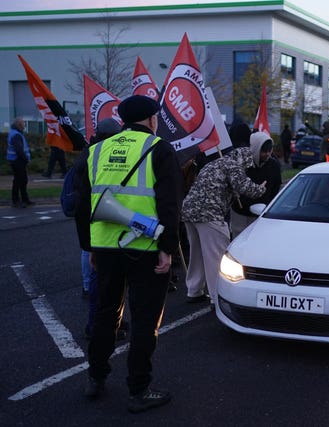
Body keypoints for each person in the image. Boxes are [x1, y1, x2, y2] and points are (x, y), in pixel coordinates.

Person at [77, 95, 182, 413]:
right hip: (146, 248)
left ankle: (95, 378)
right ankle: (139, 389)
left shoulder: (95, 151)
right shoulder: (159, 149)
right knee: (144, 319)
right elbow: (170, 204)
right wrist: (168, 250)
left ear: (122, 119)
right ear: (152, 120)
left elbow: (84, 206)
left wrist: (90, 247)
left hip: (106, 247)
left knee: (105, 314)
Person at [181, 146, 266, 306]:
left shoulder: (213, 164)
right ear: (245, 159)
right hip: (209, 214)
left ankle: (194, 290)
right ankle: (217, 296)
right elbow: (246, 188)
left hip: (189, 211)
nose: (247, 169)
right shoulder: (233, 165)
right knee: (216, 257)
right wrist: (260, 189)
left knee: (197, 254)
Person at [72, 118, 128, 340]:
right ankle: (97, 326)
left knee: (106, 283)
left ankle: (108, 322)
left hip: (97, 227)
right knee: (104, 284)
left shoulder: (89, 153)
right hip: (103, 226)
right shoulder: (98, 155)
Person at [230, 131, 282, 238]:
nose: (267, 154)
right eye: (263, 151)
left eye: (269, 151)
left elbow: (276, 187)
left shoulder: (274, 165)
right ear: (255, 149)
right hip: (240, 212)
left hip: (262, 214)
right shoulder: (242, 163)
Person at [6, 117, 34, 208]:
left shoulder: (15, 133)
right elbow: (19, 150)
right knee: (19, 181)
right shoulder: (17, 135)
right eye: (23, 123)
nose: (24, 124)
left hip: (16, 160)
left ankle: (24, 200)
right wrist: (26, 159)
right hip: (17, 160)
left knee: (22, 180)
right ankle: (16, 201)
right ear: (19, 124)